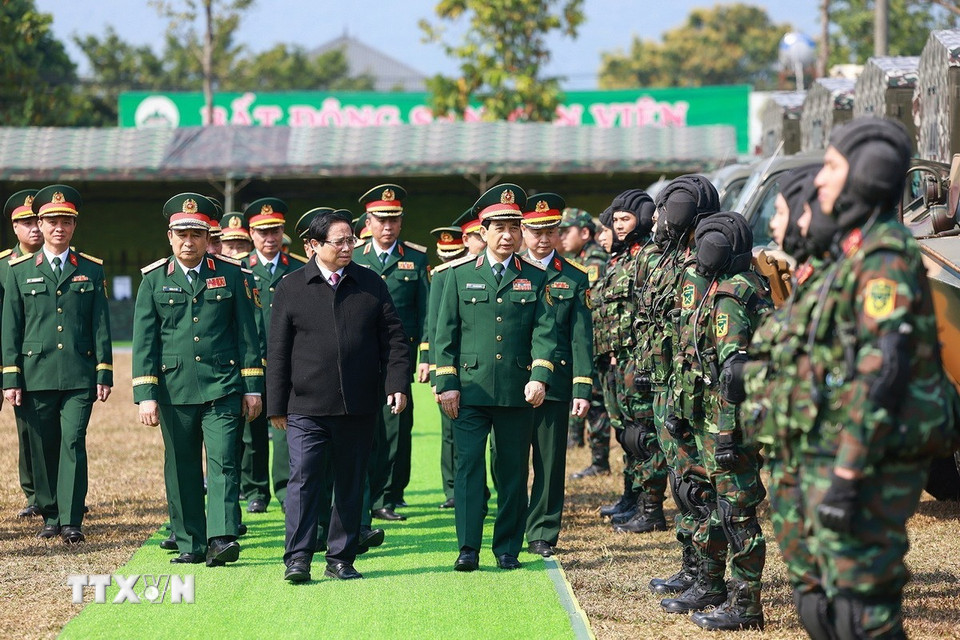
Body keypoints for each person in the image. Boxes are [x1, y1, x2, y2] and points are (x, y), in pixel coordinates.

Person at [801, 117, 956, 639]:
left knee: (863, 612)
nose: (820, 180)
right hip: (861, 445)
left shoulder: (883, 260)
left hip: (878, 452)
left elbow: (882, 371)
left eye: (831, 167)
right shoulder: (859, 252)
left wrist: (846, 475)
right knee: (838, 608)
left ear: (864, 176)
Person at [267, 209, 409, 583]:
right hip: (306, 407)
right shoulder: (291, 287)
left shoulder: (370, 283)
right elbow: (278, 351)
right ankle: (297, 558)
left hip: (357, 405)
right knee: (304, 480)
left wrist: (396, 384)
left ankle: (341, 558)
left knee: (350, 481)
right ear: (313, 245)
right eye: (339, 241)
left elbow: (393, 339)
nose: (348, 247)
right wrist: (276, 406)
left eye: (351, 240)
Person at [133, 193, 263, 565]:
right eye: (181, 234)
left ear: (208, 237)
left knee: (223, 461)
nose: (188, 242)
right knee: (181, 466)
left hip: (222, 386)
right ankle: (190, 542)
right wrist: (146, 394)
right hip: (174, 391)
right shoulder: (153, 280)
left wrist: (252, 387)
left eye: (197, 234)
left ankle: (221, 538)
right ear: (169, 237)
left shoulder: (233, 275)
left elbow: (247, 335)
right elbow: (145, 341)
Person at [434, 183, 557, 571]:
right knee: (469, 470)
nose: (507, 236)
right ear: (482, 232)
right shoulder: (457, 275)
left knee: (512, 471)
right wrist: (447, 383)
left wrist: (539, 376)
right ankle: (467, 547)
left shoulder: (536, 277)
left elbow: (545, 331)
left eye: (514, 228)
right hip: (469, 390)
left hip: (515, 391)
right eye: (498, 228)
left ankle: (507, 546)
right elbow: (445, 335)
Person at [2, 184, 113, 544]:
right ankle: (50, 514)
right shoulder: (18, 271)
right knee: (44, 445)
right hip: (36, 374)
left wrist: (104, 371)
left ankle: (71, 519)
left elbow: (100, 325)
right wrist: (11, 377)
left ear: (74, 226)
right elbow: (12, 328)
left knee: (73, 441)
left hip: (80, 375)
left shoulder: (92, 270)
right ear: (40, 223)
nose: (57, 228)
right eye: (51, 221)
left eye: (65, 221)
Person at [679, 213, 770, 631]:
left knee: (737, 514)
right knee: (726, 506)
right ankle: (723, 591)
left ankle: (746, 607)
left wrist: (729, 434)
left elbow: (735, 373)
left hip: (733, 421)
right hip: (728, 417)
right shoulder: (739, 285)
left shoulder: (732, 295)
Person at [520, 193, 594, 557]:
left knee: (549, 462)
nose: (543, 238)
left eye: (550, 230)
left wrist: (582, 385)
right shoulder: (509, 269)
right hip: (512, 378)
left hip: (557, 381)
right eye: (535, 231)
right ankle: (512, 520)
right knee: (508, 458)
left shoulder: (575, 277)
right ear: (522, 230)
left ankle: (543, 532)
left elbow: (582, 336)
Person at [593, 189, 668, 535]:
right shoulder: (621, 258)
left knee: (644, 436)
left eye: (625, 219)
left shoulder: (649, 256)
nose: (619, 226)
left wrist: (645, 363)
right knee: (627, 435)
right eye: (616, 220)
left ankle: (651, 508)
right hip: (615, 363)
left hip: (636, 362)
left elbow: (652, 314)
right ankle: (632, 497)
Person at [353, 184, 429, 521]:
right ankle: (363, 492)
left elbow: (426, 310)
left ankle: (387, 495)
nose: (388, 226)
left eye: (394, 220)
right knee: (362, 427)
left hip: (399, 355)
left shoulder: (415, 257)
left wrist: (426, 354)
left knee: (396, 426)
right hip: (358, 355)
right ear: (368, 221)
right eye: (381, 219)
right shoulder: (353, 255)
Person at [243, 197, 308, 514]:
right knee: (252, 429)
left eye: (275, 231)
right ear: (251, 234)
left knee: (285, 428)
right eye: (262, 232)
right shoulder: (239, 268)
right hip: (252, 363)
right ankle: (256, 490)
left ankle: (284, 489)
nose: (269, 238)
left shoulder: (298, 267)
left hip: (290, 364)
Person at [1, 189, 43, 519]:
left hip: (46, 359)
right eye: (25, 222)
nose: (34, 228)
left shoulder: (66, 261)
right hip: (13, 358)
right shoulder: (4, 266)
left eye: (36, 221)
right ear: (14, 228)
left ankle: (61, 491)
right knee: (27, 431)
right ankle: (33, 492)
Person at [560, 207, 611, 472]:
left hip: (597, 342)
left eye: (565, 231)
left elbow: (592, 304)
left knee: (596, 401)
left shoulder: (594, 260)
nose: (560, 237)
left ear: (584, 232)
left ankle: (600, 462)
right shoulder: (579, 258)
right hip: (589, 341)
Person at [424, 223, 469, 509]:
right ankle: (453, 488)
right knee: (449, 430)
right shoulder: (441, 276)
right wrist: (432, 368)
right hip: (450, 365)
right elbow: (435, 324)